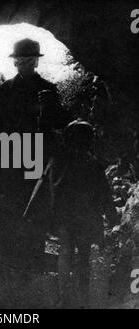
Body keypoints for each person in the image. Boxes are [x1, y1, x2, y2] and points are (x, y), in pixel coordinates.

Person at [0, 38, 71, 267]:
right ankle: (7, 255)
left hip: (38, 155)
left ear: (36, 62)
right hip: (11, 154)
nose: (25, 64)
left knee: (36, 205)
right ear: (15, 62)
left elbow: (59, 120)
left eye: (30, 60)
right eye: (21, 60)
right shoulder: (6, 89)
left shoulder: (48, 89)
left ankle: (34, 257)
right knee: (10, 203)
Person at [50, 120, 119, 308]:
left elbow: (54, 191)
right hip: (86, 220)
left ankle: (65, 298)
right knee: (83, 259)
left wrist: (53, 219)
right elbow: (105, 195)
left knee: (65, 254)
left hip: (67, 219)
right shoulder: (94, 165)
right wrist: (113, 218)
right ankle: (82, 300)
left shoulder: (61, 162)